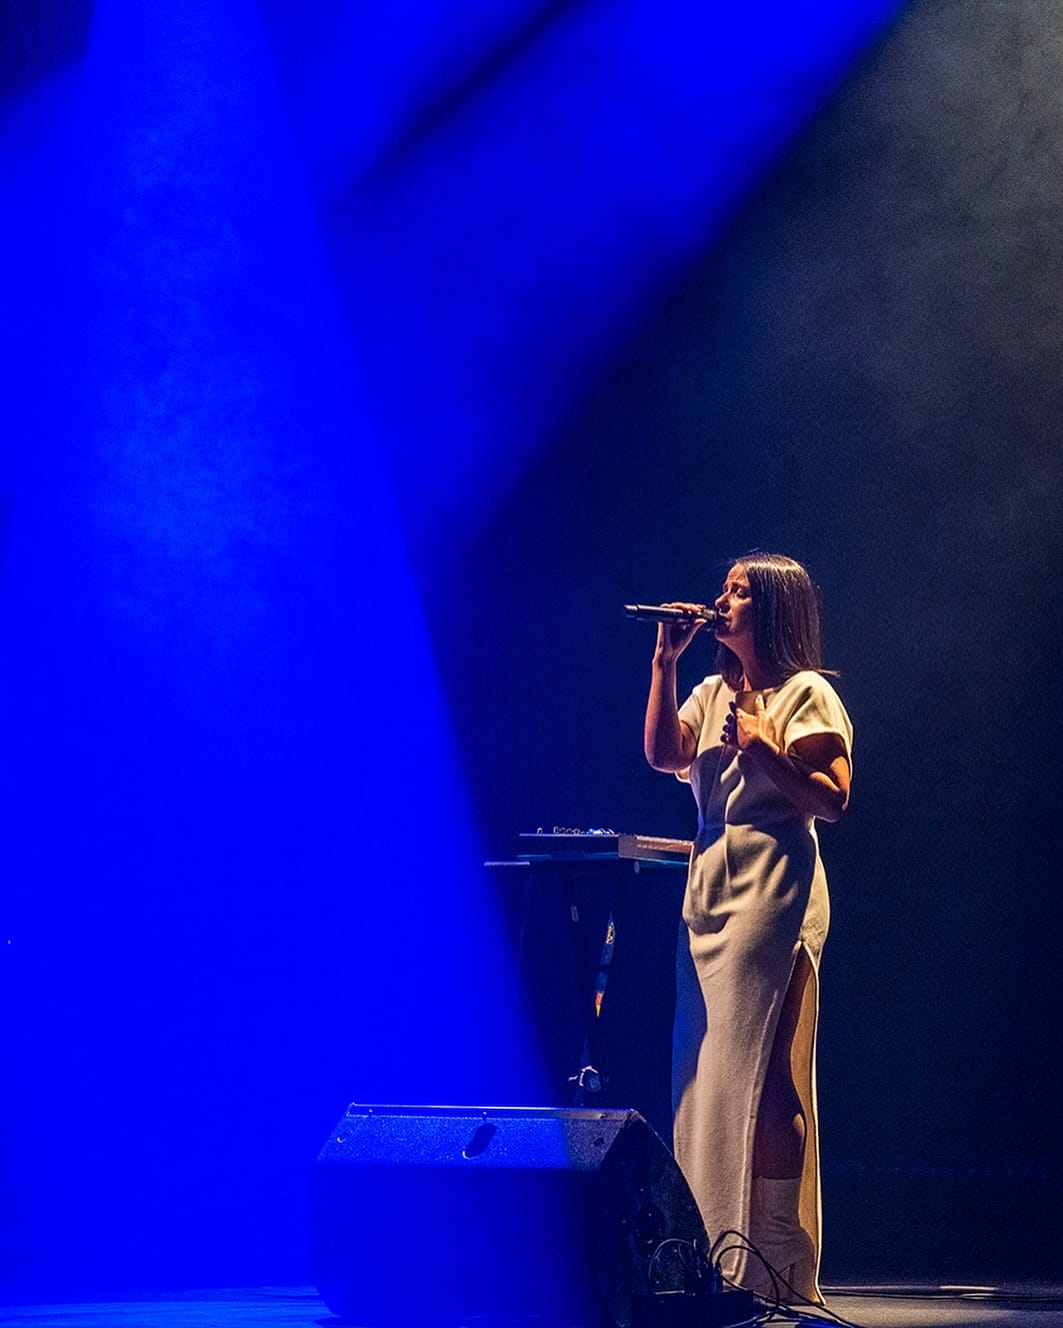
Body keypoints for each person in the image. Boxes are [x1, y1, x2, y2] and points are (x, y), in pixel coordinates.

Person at [643, 551, 853, 1305]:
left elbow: (832, 801)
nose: (720, 600)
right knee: (703, 1076)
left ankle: (770, 1263)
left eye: (739, 592)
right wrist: (665, 663)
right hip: (711, 889)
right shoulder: (708, 688)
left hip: (776, 885)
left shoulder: (805, 694)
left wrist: (763, 744)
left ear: (771, 609)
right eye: (723, 588)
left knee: (766, 1080)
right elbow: (665, 754)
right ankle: (709, 1256)